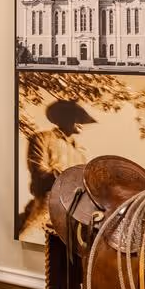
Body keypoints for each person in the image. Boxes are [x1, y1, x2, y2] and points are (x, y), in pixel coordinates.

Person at [17, 99, 96, 238]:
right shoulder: (42, 138)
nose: (81, 122)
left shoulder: (81, 153)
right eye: (76, 117)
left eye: (82, 119)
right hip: (48, 202)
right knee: (32, 236)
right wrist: (64, 176)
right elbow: (38, 171)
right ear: (64, 117)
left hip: (77, 209)